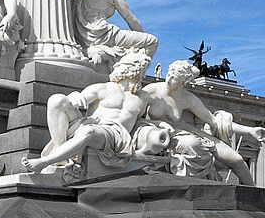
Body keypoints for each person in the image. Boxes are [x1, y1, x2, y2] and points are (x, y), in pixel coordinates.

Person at [22, 49, 169, 174]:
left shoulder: (142, 97)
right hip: (90, 123)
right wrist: (75, 96)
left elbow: (141, 121)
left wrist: (160, 123)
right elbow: (79, 98)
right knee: (57, 100)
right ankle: (61, 155)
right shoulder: (104, 87)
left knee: (89, 131)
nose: (139, 72)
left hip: (114, 135)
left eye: (142, 69)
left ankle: (45, 161)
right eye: (136, 67)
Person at [140, 60, 265, 184]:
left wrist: (250, 130)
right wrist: (158, 125)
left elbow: (214, 121)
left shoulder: (187, 98)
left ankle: (256, 195)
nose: (168, 80)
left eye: (174, 78)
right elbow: (137, 119)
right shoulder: (151, 90)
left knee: (237, 159)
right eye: (169, 75)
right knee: (192, 144)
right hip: (160, 135)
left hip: (186, 132)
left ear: (183, 82)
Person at [71, 0, 158, 71]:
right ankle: (131, 74)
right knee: (151, 41)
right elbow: (130, 18)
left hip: (81, 39)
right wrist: (141, 37)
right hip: (103, 34)